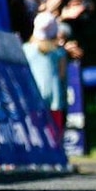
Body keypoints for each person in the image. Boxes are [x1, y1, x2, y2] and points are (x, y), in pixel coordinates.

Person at [23, 11, 69, 142]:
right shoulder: (59, 53)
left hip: (32, 99)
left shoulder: (26, 49)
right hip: (54, 100)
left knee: (34, 136)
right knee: (54, 138)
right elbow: (62, 76)